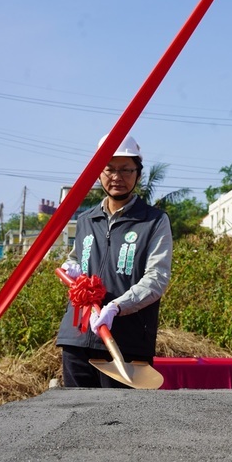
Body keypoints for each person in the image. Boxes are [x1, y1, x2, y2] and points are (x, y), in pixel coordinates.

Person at [56, 133, 173, 388]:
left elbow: (157, 277)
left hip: (127, 340)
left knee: (118, 422)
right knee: (73, 417)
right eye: (109, 169)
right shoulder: (87, 219)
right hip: (78, 337)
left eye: (126, 169)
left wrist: (117, 307)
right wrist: (71, 266)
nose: (117, 177)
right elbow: (78, 257)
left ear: (138, 175)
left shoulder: (154, 221)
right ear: (98, 173)